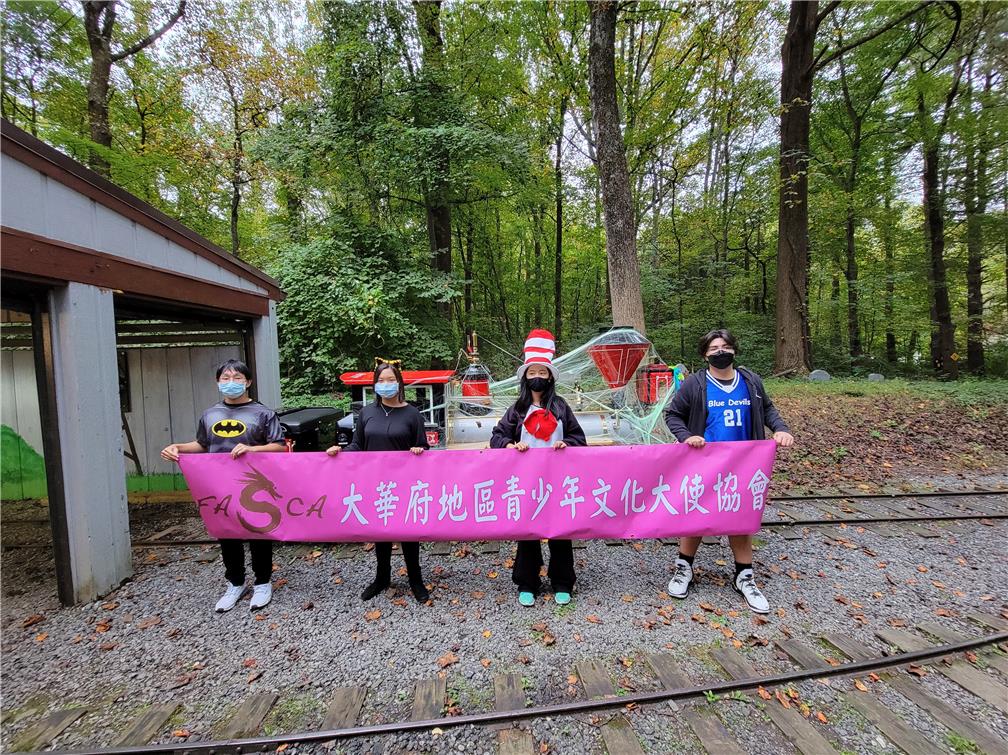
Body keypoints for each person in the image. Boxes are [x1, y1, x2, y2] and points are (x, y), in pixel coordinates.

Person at [663, 328, 794, 614]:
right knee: (696, 516)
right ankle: (684, 568)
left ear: (734, 349)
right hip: (703, 464)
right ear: (704, 354)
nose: (719, 352)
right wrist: (686, 436)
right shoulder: (696, 384)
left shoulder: (750, 381)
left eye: (724, 347)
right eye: (713, 349)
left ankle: (744, 575)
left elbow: (768, 410)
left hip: (743, 464)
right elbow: (673, 415)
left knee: (740, 519)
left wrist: (781, 429)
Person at [161, 359, 286, 612]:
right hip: (219, 486)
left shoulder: (263, 413)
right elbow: (203, 445)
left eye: (237, 378)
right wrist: (178, 448)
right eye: (226, 378)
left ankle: (263, 582)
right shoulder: (210, 414)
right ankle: (235, 582)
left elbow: (279, 445)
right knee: (227, 532)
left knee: (258, 530)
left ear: (248, 382)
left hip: (254, 483)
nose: (231, 383)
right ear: (218, 382)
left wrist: (253, 449)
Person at [490, 329, 586, 607]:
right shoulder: (516, 409)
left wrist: (565, 444)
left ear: (550, 377)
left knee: (560, 531)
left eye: (543, 373)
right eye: (533, 372)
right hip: (525, 481)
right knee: (527, 532)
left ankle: (562, 581)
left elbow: (579, 439)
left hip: (557, 481)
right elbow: (497, 436)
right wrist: (510, 446)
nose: (537, 378)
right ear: (525, 377)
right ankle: (527, 582)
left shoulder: (560, 407)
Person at [326, 360, 430, 603]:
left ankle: (415, 579)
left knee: (408, 532)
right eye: (381, 380)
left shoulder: (412, 413)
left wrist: (418, 450)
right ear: (374, 385)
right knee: (380, 530)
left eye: (390, 380)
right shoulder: (366, 413)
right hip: (375, 483)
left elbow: (423, 446)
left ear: (399, 382)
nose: (386, 385)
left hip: (405, 484)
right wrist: (339, 453)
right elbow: (356, 445)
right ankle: (382, 577)